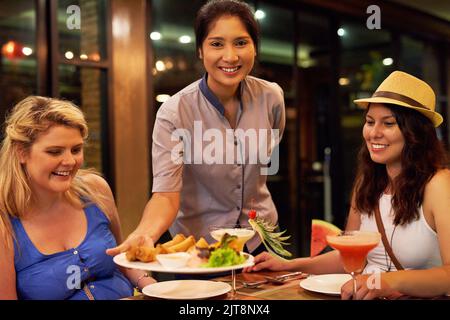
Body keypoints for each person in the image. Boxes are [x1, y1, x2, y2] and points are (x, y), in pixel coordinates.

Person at [245, 70, 450, 299]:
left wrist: (388, 281)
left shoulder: (438, 184)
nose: (374, 133)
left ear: (416, 133)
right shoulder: (367, 183)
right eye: (370, 122)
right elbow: (350, 258)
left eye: (389, 123)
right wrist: (290, 265)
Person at [107, 0, 285, 256]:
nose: (230, 56)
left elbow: (271, 148)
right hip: (201, 247)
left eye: (241, 42)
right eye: (216, 44)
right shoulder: (175, 113)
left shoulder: (271, 97)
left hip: (262, 238)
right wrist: (144, 233)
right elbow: (166, 195)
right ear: (200, 50)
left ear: (254, 48)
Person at [0, 96, 155, 300]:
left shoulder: (95, 189)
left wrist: (149, 285)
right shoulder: (4, 221)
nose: (70, 161)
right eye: (54, 152)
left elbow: (122, 258)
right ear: (21, 152)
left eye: (76, 149)